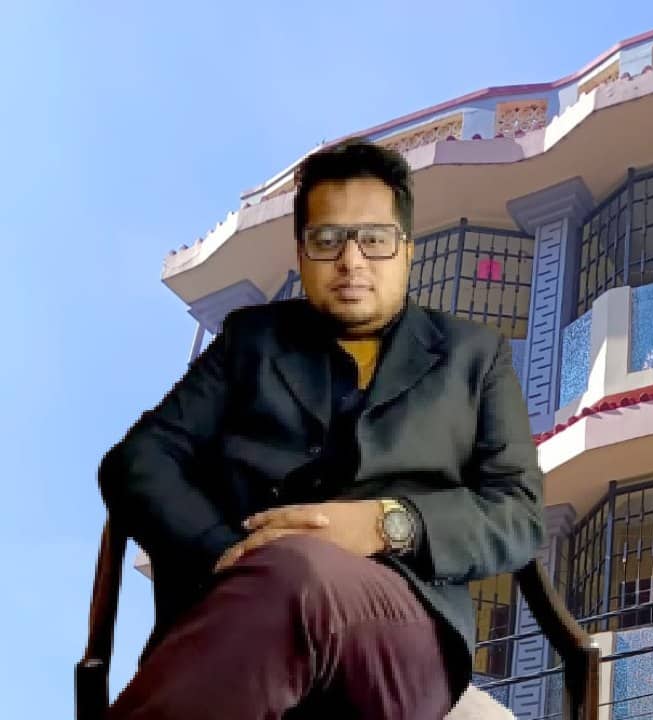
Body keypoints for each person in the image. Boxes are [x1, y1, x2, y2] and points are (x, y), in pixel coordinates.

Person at [99, 138, 545, 719]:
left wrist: (388, 523)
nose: (351, 261)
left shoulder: (474, 356)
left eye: (374, 240)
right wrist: (224, 552)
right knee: (288, 572)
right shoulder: (250, 341)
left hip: (401, 631)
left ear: (406, 251)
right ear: (302, 253)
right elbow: (139, 460)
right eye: (328, 239)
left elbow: (516, 512)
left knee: (300, 572)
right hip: (242, 615)